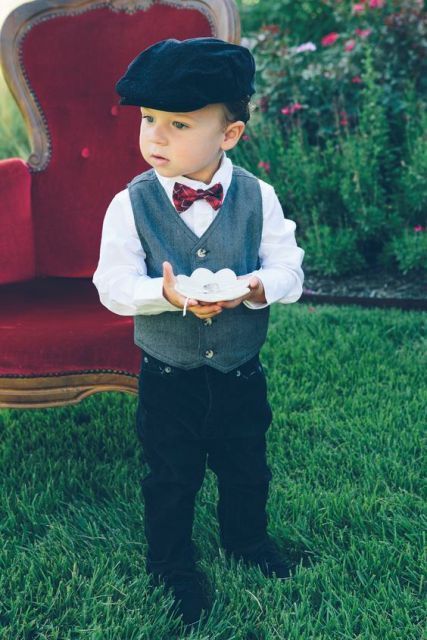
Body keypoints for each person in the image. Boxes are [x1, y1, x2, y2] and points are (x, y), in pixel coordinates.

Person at [92, 37, 305, 630]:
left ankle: (247, 541)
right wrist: (162, 293)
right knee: (170, 474)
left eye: (178, 124)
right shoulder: (128, 204)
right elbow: (111, 285)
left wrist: (258, 286)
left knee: (246, 466)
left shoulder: (258, 197)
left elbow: (290, 267)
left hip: (240, 371)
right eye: (147, 119)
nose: (155, 137)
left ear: (229, 134)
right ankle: (172, 566)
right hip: (168, 375)